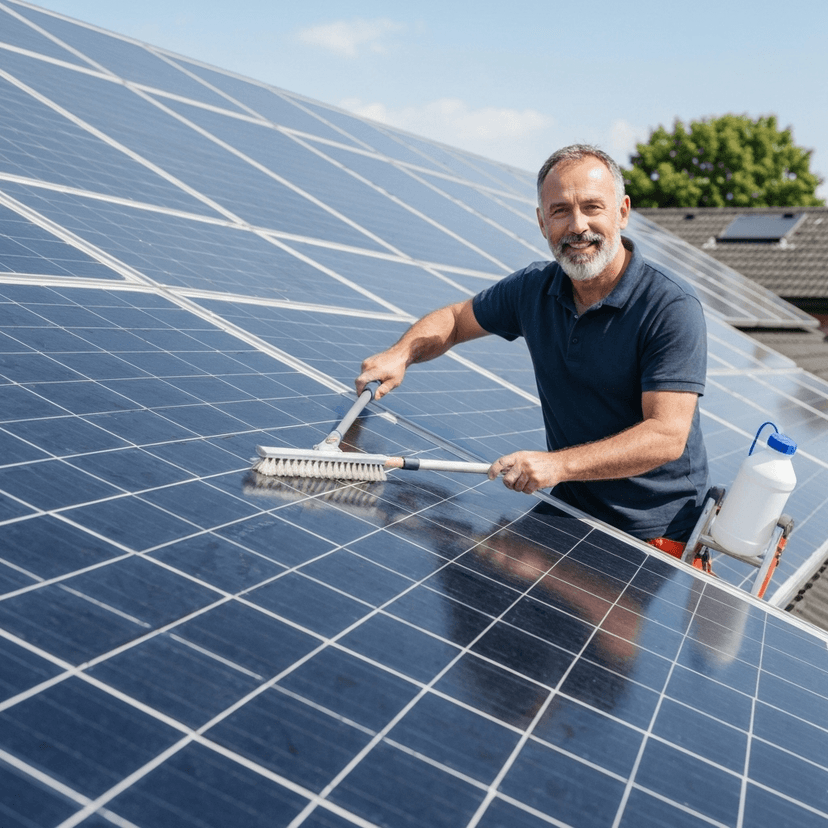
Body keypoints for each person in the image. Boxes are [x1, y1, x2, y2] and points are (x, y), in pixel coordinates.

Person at [356, 144, 709, 550]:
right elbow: (455, 320)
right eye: (560, 211)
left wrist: (557, 464)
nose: (578, 226)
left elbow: (666, 436)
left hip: (653, 530)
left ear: (623, 212)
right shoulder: (534, 289)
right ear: (542, 223)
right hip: (569, 504)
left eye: (593, 207)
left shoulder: (670, 307)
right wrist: (402, 353)